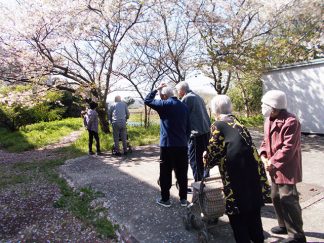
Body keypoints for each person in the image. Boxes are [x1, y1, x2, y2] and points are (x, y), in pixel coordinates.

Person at [203, 95, 271, 243]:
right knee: (252, 210)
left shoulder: (218, 124)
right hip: (252, 171)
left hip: (235, 174)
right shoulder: (238, 122)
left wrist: (205, 158)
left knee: (237, 212)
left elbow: (213, 152)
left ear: (215, 110)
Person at [260, 90, 306, 243]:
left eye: (264, 104)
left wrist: (272, 162)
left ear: (274, 106)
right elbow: (265, 142)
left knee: (288, 199)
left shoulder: (291, 121)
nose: (262, 107)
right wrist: (264, 155)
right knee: (275, 197)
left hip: (286, 168)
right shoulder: (268, 120)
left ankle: (297, 235)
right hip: (273, 167)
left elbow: (288, 148)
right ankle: (283, 225)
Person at [144, 83, 190, 207]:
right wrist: (184, 139)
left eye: (160, 95)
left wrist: (156, 89)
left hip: (167, 146)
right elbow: (188, 128)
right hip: (182, 145)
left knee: (165, 172)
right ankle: (183, 199)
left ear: (164, 95)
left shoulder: (164, 104)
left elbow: (147, 100)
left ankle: (165, 200)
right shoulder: (184, 106)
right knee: (182, 172)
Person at [175, 81, 211, 182]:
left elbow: (179, 115)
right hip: (206, 132)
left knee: (195, 160)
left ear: (182, 90)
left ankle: (199, 185)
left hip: (196, 134)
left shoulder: (187, 98)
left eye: (178, 90)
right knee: (204, 158)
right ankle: (206, 179)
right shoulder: (197, 96)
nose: (177, 93)